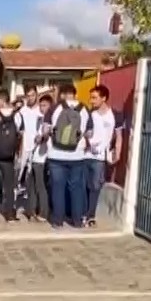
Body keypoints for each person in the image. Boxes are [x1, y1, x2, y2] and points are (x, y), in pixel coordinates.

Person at [46, 84, 87, 228]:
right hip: (77, 156)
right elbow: (90, 133)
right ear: (75, 94)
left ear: (62, 94)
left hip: (56, 155)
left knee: (58, 188)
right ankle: (77, 221)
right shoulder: (84, 109)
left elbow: (45, 130)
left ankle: (58, 221)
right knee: (76, 188)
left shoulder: (54, 108)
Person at [77, 84, 118, 226]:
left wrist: (116, 153)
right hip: (86, 155)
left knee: (95, 187)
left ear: (104, 98)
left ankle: (90, 215)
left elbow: (117, 136)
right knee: (83, 186)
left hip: (100, 158)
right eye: (91, 98)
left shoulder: (114, 116)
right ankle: (82, 213)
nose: (91, 101)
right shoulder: (90, 115)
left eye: (94, 98)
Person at [0, 94, 23, 222]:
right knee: (10, 186)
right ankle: (10, 215)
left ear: (2, 100)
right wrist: (19, 154)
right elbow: (21, 136)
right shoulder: (17, 115)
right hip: (10, 157)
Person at [21, 92, 54, 221]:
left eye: (45, 105)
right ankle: (31, 210)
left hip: (43, 157)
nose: (42, 108)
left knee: (41, 186)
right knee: (31, 185)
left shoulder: (51, 120)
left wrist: (42, 137)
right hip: (34, 155)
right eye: (40, 105)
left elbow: (46, 136)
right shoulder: (39, 119)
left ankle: (43, 212)